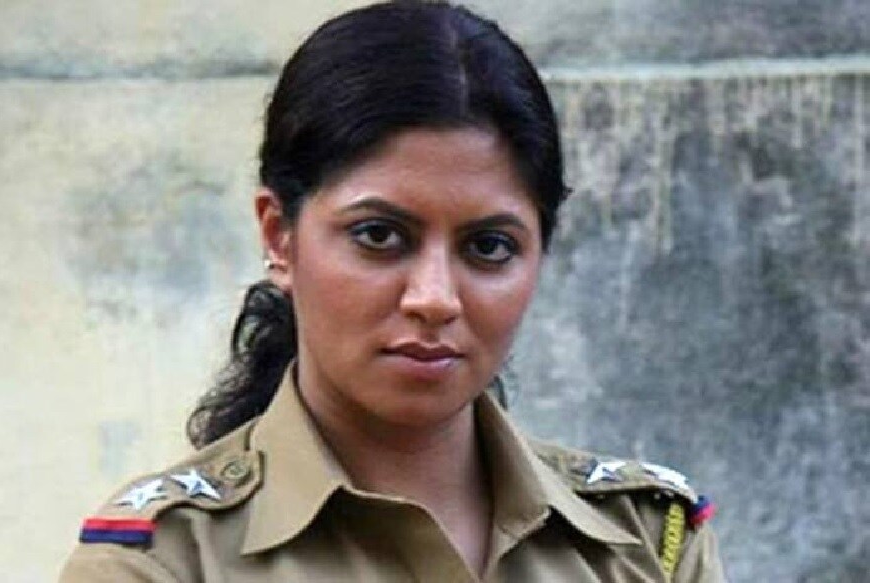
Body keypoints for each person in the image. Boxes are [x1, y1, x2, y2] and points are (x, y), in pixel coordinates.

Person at [60, 1, 725, 581]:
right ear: (279, 235)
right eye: (378, 235)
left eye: (489, 247)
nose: (434, 298)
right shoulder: (166, 562)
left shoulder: (646, 543)